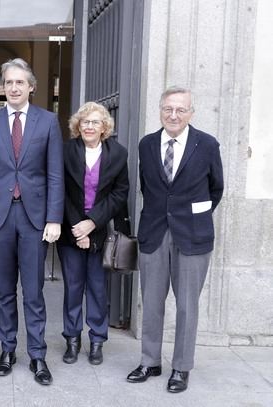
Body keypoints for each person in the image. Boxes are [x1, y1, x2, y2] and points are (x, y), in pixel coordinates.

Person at [126, 86, 224, 393]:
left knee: (186, 306)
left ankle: (181, 367)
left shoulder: (206, 144)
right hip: (154, 232)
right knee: (151, 302)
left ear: (191, 113)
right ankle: (149, 361)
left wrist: (191, 216)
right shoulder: (146, 144)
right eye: (168, 109)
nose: (174, 115)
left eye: (181, 109)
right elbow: (147, 188)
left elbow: (216, 188)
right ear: (160, 110)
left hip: (193, 236)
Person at [0, 58, 64, 385]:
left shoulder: (48, 121)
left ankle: (37, 355)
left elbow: (55, 173)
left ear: (31, 87)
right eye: (8, 82)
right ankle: (8, 349)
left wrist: (54, 218)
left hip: (35, 218)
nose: (13, 88)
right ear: (3, 87)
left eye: (19, 83)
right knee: (4, 289)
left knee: (34, 290)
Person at [57, 102, 130, 366]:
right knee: (73, 288)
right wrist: (78, 227)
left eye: (95, 122)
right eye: (85, 121)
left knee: (98, 289)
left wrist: (92, 224)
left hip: (99, 233)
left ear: (104, 127)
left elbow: (120, 194)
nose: (89, 126)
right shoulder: (65, 152)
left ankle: (97, 340)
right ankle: (72, 339)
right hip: (70, 230)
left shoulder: (119, 154)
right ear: (78, 125)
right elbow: (60, 190)